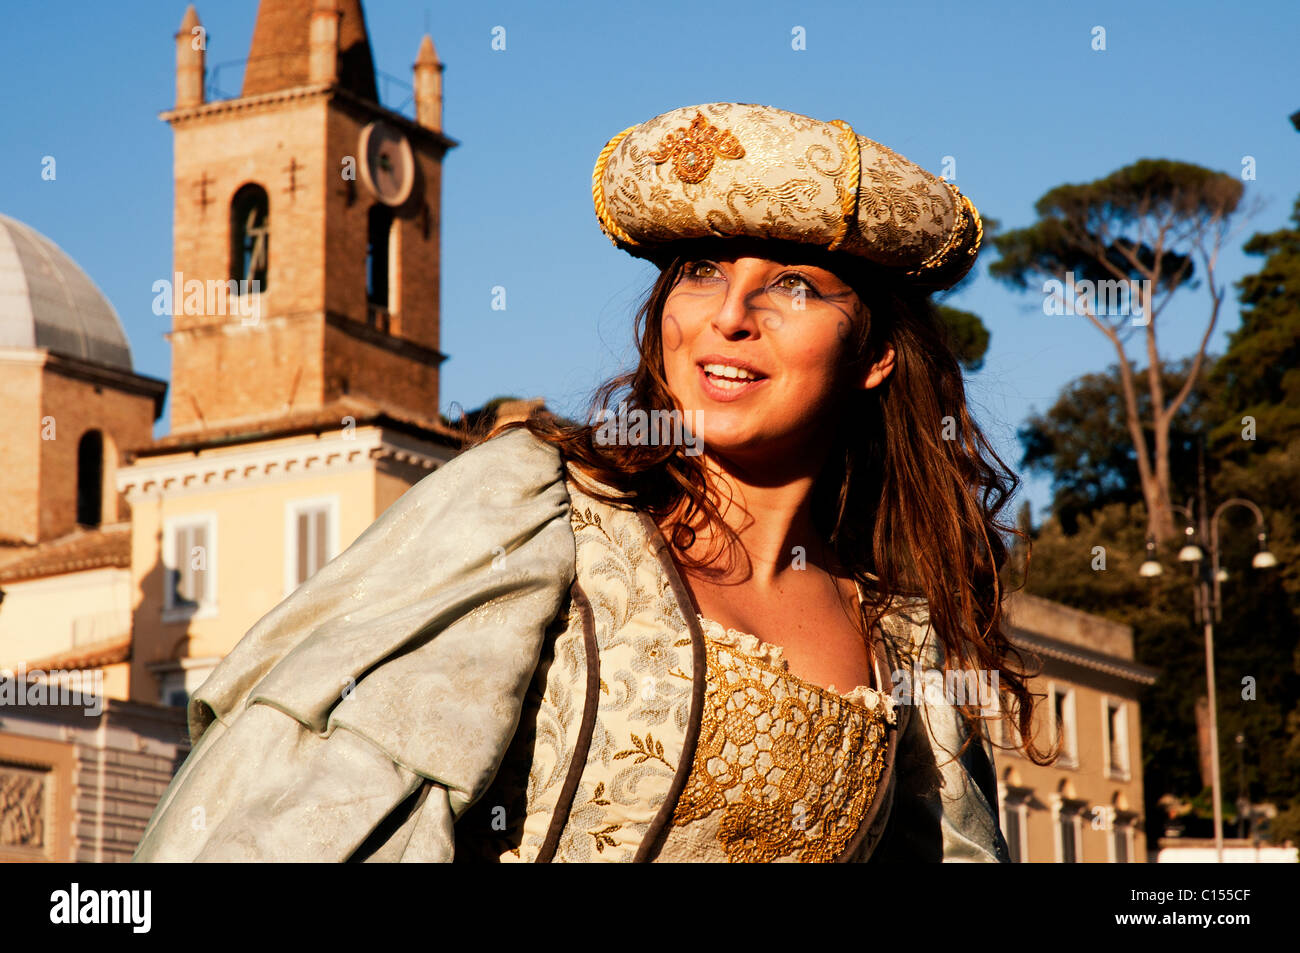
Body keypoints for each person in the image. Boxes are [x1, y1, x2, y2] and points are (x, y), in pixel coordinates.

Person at [132, 102, 1052, 864]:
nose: (729, 315)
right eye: (701, 272)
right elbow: (297, 817)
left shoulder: (902, 645)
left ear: (877, 355)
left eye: (795, 286)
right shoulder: (535, 513)